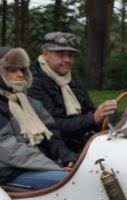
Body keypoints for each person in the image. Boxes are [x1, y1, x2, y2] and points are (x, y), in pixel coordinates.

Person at [0, 47, 77, 190]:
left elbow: (53, 136)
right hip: (9, 172)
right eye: (12, 70)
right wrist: (54, 168)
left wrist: (67, 158)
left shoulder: (32, 103)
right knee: (72, 182)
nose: (20, 75)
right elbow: (9, 150)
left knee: (87, 172)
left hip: (37, 165)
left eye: (22, 70)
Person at [29, 32, 117, 152]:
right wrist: (93, 118)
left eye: (71, 55)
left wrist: (105, 114)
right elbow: (51, 125)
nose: (67, 60)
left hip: (83, 141)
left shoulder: (70, 80)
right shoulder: (33, 83)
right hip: (55, 150)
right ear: (46, 54)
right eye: (61, 55)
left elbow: (89, 109)